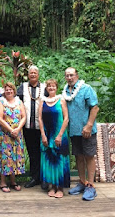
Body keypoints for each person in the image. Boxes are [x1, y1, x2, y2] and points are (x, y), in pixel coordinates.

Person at [63, 67, 99, 201]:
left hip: (87, 130)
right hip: (74, 130)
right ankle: (82, 182)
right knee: (78, 156)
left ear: (77, 75)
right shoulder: (65, 91)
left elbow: (95, 107)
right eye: (67, 75)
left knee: (89, 156)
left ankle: (91, 185)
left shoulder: (86, 88)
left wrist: (89, 125)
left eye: (71, 75)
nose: (69, 78)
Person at [38, 79, 70, 198]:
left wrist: (60, 135)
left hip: (59, 134)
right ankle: (52, 186)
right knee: (49, 160)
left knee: (60, 159)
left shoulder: (61, 100)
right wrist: (43, 134)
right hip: (47, 134)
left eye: (53, 86)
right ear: (46, 88)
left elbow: (66, 118)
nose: (51, 88)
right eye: (49, 86)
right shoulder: (43, 101)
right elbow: (40, 118)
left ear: (56, 88)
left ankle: (60, 187)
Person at [17, 65, 47, 188]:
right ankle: (35, 178)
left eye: (35, 73)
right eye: (31, 73)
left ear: (38, 75)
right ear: (28, 75)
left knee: (43, 152)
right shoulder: (23, 87)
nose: (33, 75)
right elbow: (17, 102)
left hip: (42, 127)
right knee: (32, 152)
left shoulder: (44, 88)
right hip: (28, 126)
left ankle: (45, 178)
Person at [0, 82, 26, 192]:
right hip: (5, 135)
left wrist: (17, 129)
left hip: (17, 134)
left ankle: (13, 181)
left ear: (14, 91)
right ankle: (3, 182)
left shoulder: (19, 102)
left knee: (14, 157)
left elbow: (24, 117)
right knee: (5, 157)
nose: (9, 91)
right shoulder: (1, 102)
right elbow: (0, 119)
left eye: (11, 89)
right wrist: (10, 130)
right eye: (7, 90)